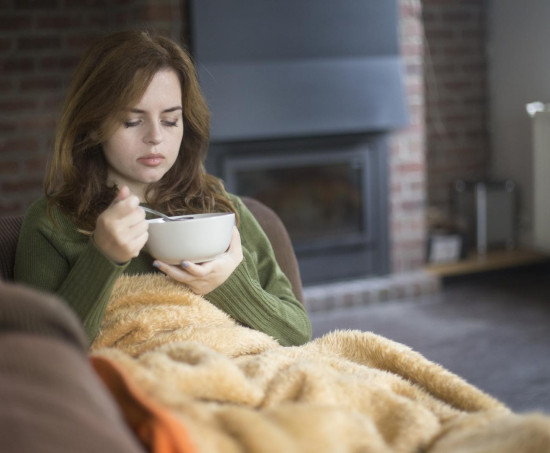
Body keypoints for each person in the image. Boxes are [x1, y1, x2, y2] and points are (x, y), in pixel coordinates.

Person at [14, 29, 311, 347]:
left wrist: (226, 284)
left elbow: (297, 332)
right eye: (132, 121)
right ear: (93, 123)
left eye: (170, 121)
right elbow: (39, 353)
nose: (155, 137)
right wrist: (103, 257)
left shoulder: (222, 211)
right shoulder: (54, 223)